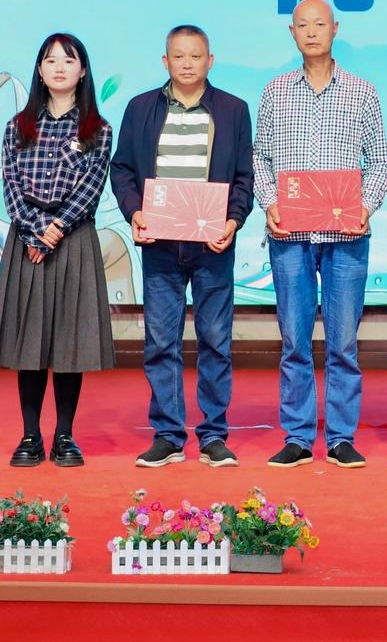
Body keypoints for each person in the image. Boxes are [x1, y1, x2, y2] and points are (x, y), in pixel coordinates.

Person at [110, 24, 253, 468]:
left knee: (215, 342)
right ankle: (169, 435)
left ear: (211, 60)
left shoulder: (232, 110)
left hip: (212, 246)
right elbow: (122, 169)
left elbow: (244, 176)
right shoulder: (140, 108)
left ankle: (213, 435)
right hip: (160, 244)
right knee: (160, 343)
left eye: (196, 56)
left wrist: (233, 221)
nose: (187, 63)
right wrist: (135, 212)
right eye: (179, 56)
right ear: (165, 61)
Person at [255, 0, 387, 469]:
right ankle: (296, 436)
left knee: (343, 343)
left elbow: (380, 161)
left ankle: (340, 438)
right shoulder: (275, 92)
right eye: (303, 25)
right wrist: (270, 202)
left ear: (336, 29)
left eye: (320, 24)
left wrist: (365, 207)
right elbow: (260, 157)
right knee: (294, 341)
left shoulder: (362, 92)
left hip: (346, 236)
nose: (312, 32)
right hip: (290, 234)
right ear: (292, 33)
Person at [0, 32, 115, 468]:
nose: (59, 68)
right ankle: (29, 435)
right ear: (40, 70)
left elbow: (91, 188)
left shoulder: (98, 129)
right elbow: (11, 187)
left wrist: (54, 230)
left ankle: (64, 436)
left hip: (73, 240)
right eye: (51, 60)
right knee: (30, 341)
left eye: (68, 60)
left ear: (82, 71)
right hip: (27, 242)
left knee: (69, 341)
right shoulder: (17, 126)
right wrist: (36, 231)